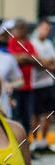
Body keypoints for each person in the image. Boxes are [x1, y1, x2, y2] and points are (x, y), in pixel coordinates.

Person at [7, 19, 37, 134]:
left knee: (26, 117)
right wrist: (26, 58)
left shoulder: (29, 44)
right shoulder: (11, 42)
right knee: (14, 116)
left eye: (23, 28)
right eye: (18, 28)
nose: (21, 31)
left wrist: (24, 58)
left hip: (28, 87)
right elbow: (13, 59)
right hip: (15, 87)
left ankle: (26, 144)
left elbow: (35, 60)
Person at [29, 18, 55, 154]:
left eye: (49, 30)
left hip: (48, 83)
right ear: (39, 28)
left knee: (48, 114)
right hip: (36, 84)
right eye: (45, 28)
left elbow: (49, 62)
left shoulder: (49, 44)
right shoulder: (33, 43)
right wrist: (47, 63)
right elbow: (38, 63)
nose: (47, 32)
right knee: (35, 115)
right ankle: (34, 141)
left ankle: (44, 141)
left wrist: (45, 63)